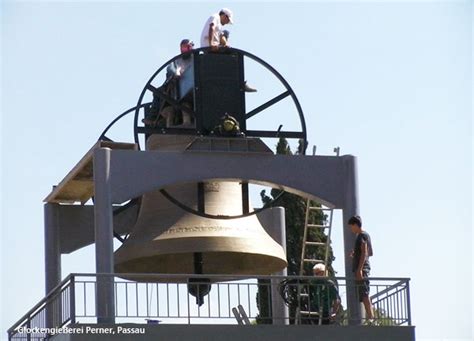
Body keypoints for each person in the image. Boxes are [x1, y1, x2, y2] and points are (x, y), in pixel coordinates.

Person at [200, 9, 257, 92]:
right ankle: (241, 83)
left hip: (212, 47)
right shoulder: (215, 17)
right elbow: (211, 27)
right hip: (210, 47)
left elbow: (221, 36)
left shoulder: (219, 24)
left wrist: (226, 44)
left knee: (229, 54)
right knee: (235, 55)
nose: (226, 23)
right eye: (227, 20)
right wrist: (211, 43)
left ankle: (235, 80)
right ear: (224, 16)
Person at [144, 39, 195, 127]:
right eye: (183, 47)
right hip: (176, 87)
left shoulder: (195, 59)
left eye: (187, 47)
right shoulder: (177, 60)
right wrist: (175, 72)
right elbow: (170, 68)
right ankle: (153, 117)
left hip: (192, 88)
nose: (185, 50)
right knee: (158, 92)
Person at [348, 215, 375, 322]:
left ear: (355, 225)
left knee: (364, 294)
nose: (351, 229)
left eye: (351, 226)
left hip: (362, 269)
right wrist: (355, 254)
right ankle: (371, 316)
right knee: (364, 293)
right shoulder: (366, 235)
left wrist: (359, 269)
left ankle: (371, 318)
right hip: (364, 267)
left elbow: (364, 252)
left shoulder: (361, 236)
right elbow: (370, 252)